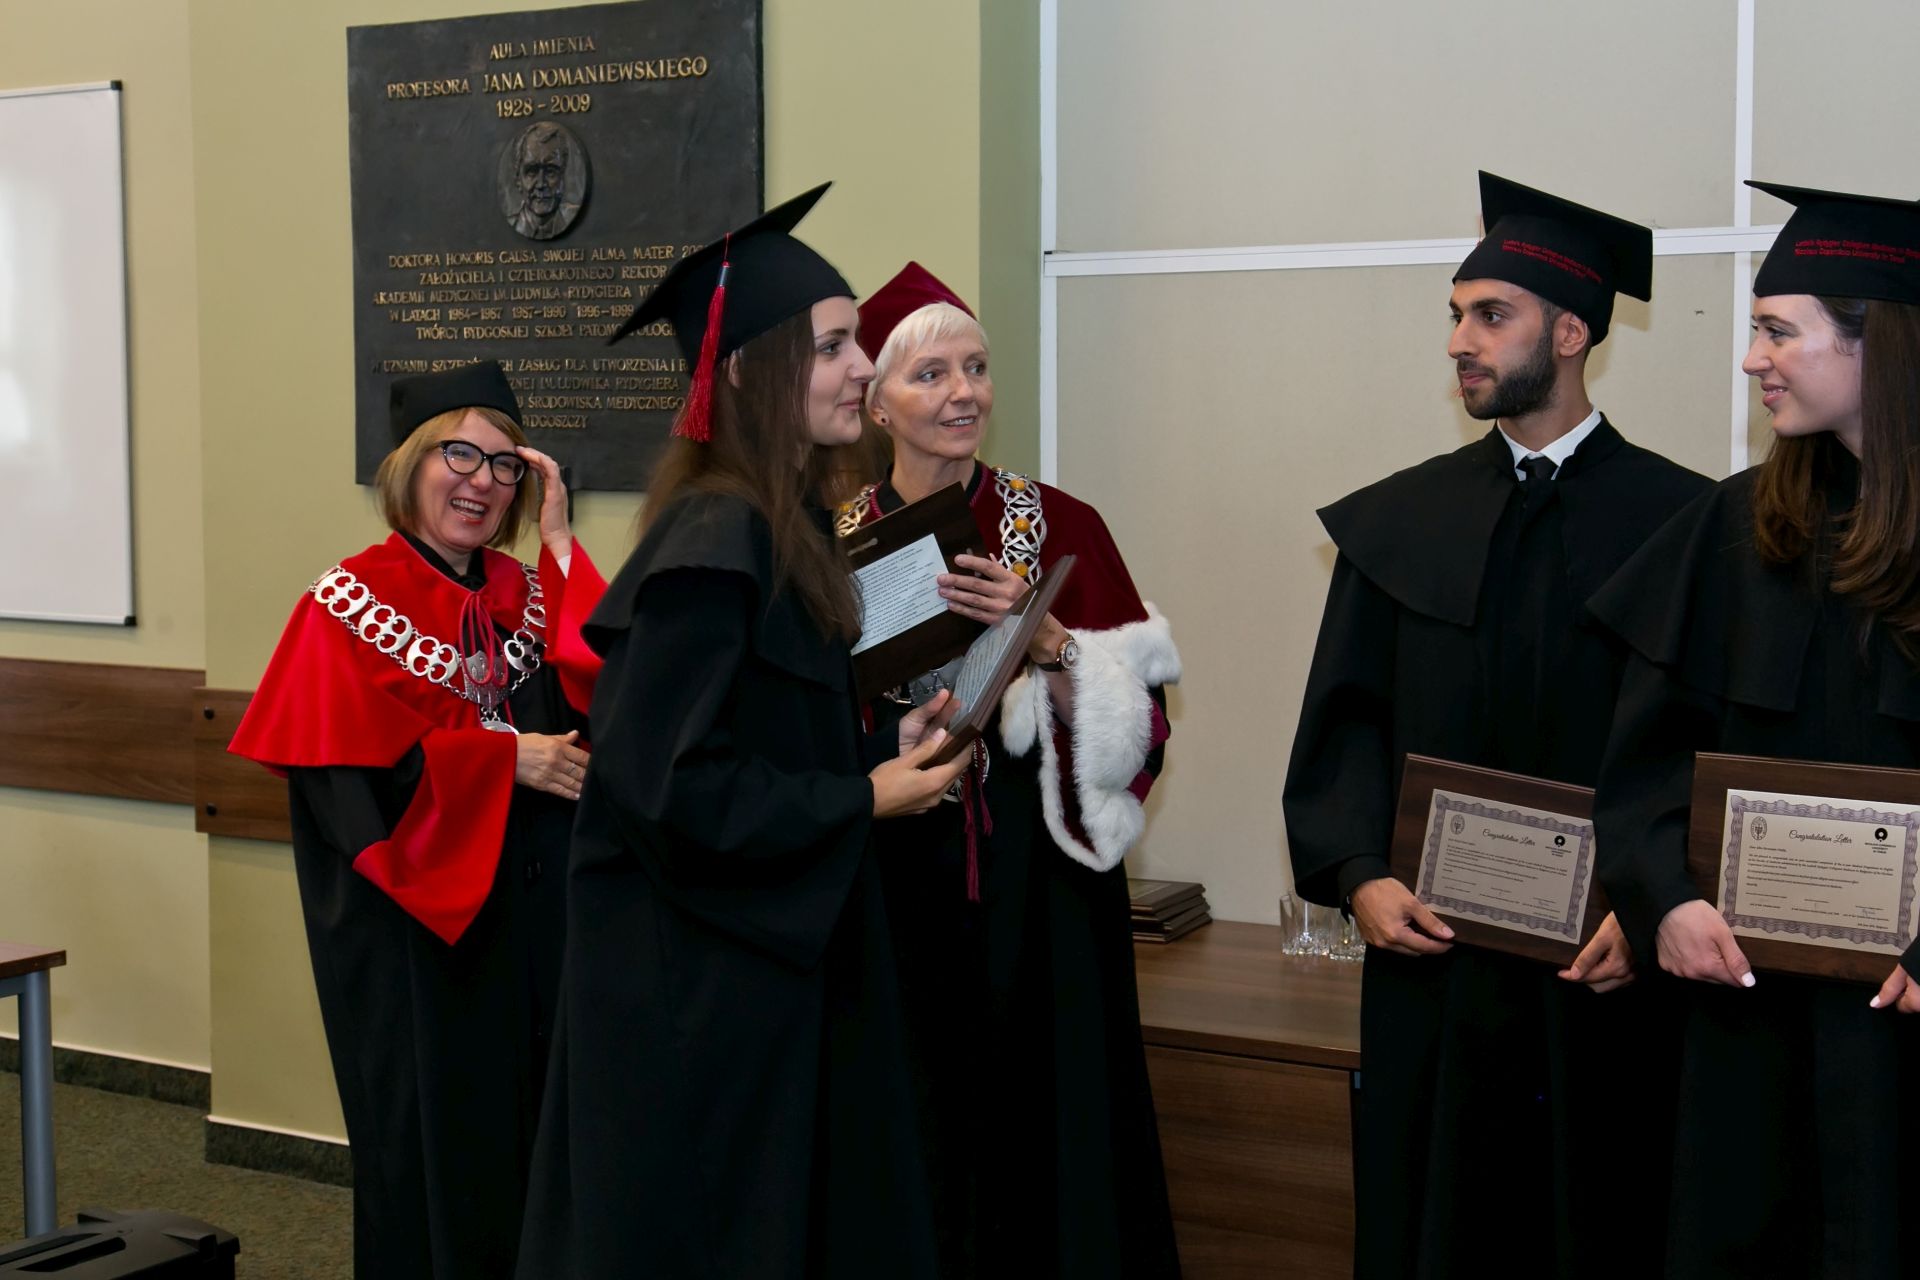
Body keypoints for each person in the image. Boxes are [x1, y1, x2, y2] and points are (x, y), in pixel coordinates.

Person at [515, 187, 970, 1280]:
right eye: (834, 346)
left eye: (855, 342)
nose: (863, 368)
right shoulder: (714, 541)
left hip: (754, 966)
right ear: (748, 372)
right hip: (692, 991)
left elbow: (768, 732)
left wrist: (882, 747)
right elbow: (669, 785)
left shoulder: (783, 522)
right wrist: (863, 798)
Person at [1281, 173, 1712, 1279]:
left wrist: (1653, 901)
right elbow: (1346, 719)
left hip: (1605, 976)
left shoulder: (1687, 525)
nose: (1459, 343)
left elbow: (1704, 752)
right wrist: (1360, 875)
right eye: (1455, 316)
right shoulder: (1403, 518)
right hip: (1439, 967)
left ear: (1570, 333)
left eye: (1490, 316)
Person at [1590, 182, 1920, 1276]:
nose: (1751, 360)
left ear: (1879, 342)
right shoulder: (1739, 526)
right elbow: (1646, 759)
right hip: (1746, 1006)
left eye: (1779, 331)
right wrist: (1665, 897)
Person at [838, 262, 1182, 1278]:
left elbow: (1141, 732)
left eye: (977, 368)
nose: (964, 393)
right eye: (932, 374)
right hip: (892, 879)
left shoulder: (1062, 523)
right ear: (877, 404)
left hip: (1041, 891)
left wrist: (1050, 640)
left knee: (1051, 1137)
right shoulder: (829, 542)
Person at [228, 359, 606, 1280]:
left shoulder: (527, 594)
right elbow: (346, 789)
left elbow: (608, 687)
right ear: (410, 464)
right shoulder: (345, 605)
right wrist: (500, 760)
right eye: (459, 455)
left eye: (506, 465)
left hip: (534, 929)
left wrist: (559, 543)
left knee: (542, 1146)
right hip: (416, 942)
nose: (483, 482)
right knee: (434, 1162)